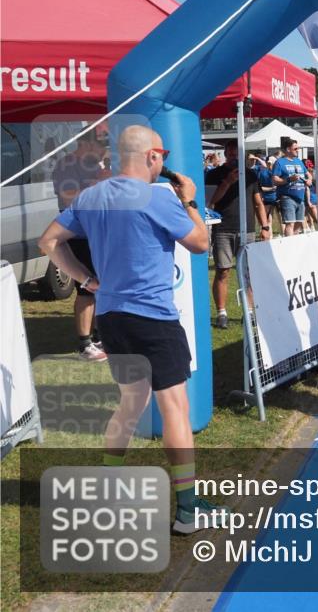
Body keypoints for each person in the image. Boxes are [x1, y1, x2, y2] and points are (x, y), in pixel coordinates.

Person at [38, 124, 225, 534]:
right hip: (153, 317)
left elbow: (49, 241)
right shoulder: (157, 198)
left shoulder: (92, 195)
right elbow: (199, 243)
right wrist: (191, 201)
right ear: (152, 156)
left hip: (112, 318)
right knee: (174, 408)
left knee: (131, 403)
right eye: (162, 156)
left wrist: (86, 281)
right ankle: (188, 510)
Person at [52, 129, 111, 361]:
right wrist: (98, 183)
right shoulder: (66, 165)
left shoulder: (95, 165)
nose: (103, 150)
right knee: (87, 288)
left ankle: (98, 337)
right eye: (100, 145)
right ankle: (85, 344)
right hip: (78, 236)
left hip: (97, 234)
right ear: (85, 144)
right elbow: (68, 198)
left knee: (101, 287)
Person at [205, 141, 271, 329]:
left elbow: (258, 203)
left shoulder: (250, 175)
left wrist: (265, 227)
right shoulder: (214, 174)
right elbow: (210, 202)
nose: (234, 158)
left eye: (237, 155)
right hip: (223, 228)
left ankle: (249, 311)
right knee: (223, 270)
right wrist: (227, 183)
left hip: (247, 229)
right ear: (225, 154)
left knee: (248, 273)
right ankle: (221, 312)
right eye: (231, 155)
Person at [271, 137, 311, 237]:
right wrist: (288, 179)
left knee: (298, 223)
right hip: (287, 197)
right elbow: (274, 180)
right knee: (290, 223)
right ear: (288, 149)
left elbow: (308, 174)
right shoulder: (280, 162)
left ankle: (294, 246)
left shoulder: (299, 161)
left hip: (300, 198)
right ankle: (289, 245)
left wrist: (309, 180)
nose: (298, 150)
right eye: (295, 149)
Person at [252, 154, 278, 224]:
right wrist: (272, 188)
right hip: (268, 197)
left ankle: (269, 233)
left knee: (268, 218)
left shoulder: (262, 171)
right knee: (268, 218)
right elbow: (260, 187)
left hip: (269, 197)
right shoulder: (266, 172)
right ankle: (269, 233)